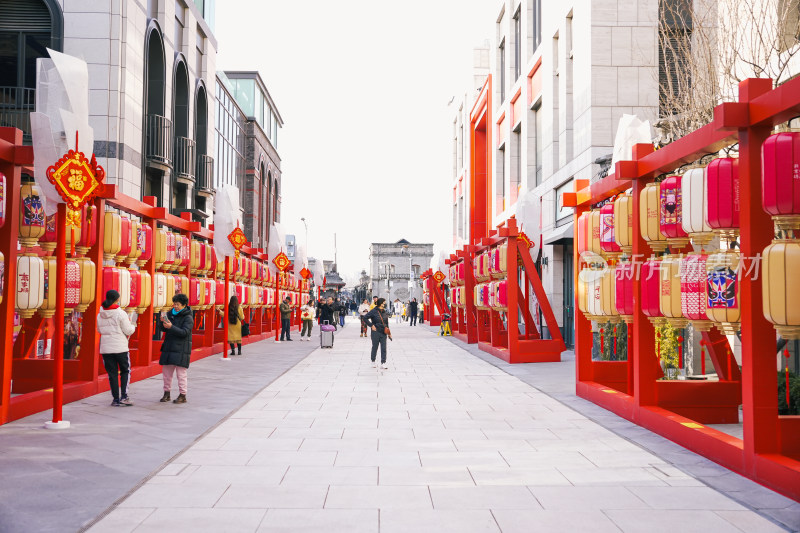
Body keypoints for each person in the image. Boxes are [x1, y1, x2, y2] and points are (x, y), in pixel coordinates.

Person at [97, 289, 136, 406]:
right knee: (125, 371)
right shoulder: (120, 313)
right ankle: (124, 396)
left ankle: (115, 399)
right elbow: (128, 330)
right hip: (120, 347)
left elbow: (99, 330)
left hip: (106, 348)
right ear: (117, 299)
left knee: (112, 373)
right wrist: (133, 326)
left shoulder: (100, 314)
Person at [159, 293, 193, 404]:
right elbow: (163, 329)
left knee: (181, 374)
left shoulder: (188, 317)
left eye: (178, 304)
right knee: (166, 374)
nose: (175, 306)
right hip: (169, 347)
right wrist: (162, 322)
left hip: (181, 349)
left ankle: (183, 395)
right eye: (174, 304)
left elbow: (185, 332)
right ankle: (166, 393)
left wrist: (171, 327)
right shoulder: (170, 314)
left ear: (184, 305)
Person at [363, 297, 391, 369]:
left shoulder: (384, 311)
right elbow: (365, 318)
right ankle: (373, 361)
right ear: (381, 304)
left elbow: (386, 322)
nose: (385, 304)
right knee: (375, 347)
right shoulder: (373, 311)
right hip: (375, 332)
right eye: (384, 303)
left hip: (383, 332)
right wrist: (371, 325)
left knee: (384, 348)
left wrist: (389, 332)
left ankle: (383, 362)